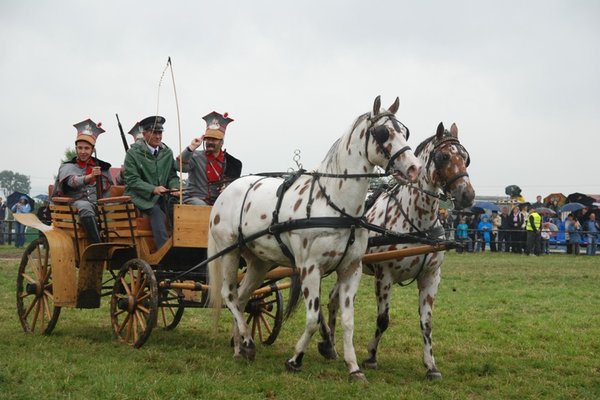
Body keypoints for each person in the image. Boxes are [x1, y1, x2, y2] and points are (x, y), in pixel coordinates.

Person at [123, 115, 180, 249]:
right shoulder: (133, 153)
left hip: (164, 196)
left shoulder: (167, 152)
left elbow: (172, 176)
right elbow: (132, 180)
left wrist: (175, 187)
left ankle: (182, 247)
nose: (158, 136)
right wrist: (153, 189)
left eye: (160, 132)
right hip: (139, 196)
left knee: (179, 210)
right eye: (154, 132)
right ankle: (164, 250)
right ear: (144, 133)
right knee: (156, 212)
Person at [53, 119, 113, 243]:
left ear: (92, 150)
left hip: (97, 204)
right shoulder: (67, 166)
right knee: (85, 206)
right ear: (76, 149)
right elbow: (71, 181)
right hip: (73, 205)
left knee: (119, 208)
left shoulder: (102, 167)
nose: (83, 151)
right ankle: (97, 245)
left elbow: (108, 189)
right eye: (79, 148)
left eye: (86, 148)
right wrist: (89, 177)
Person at [177, 111, 242, 205]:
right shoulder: (195, 156)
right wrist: (191, 148)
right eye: (208, 138)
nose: (210, 142)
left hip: (218, 201)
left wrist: (227, 187)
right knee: (202, 206)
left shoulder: (232, 162)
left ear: (222, 142)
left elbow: (233, 184)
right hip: (195, 199)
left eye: (214, 139)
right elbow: (179, 167)